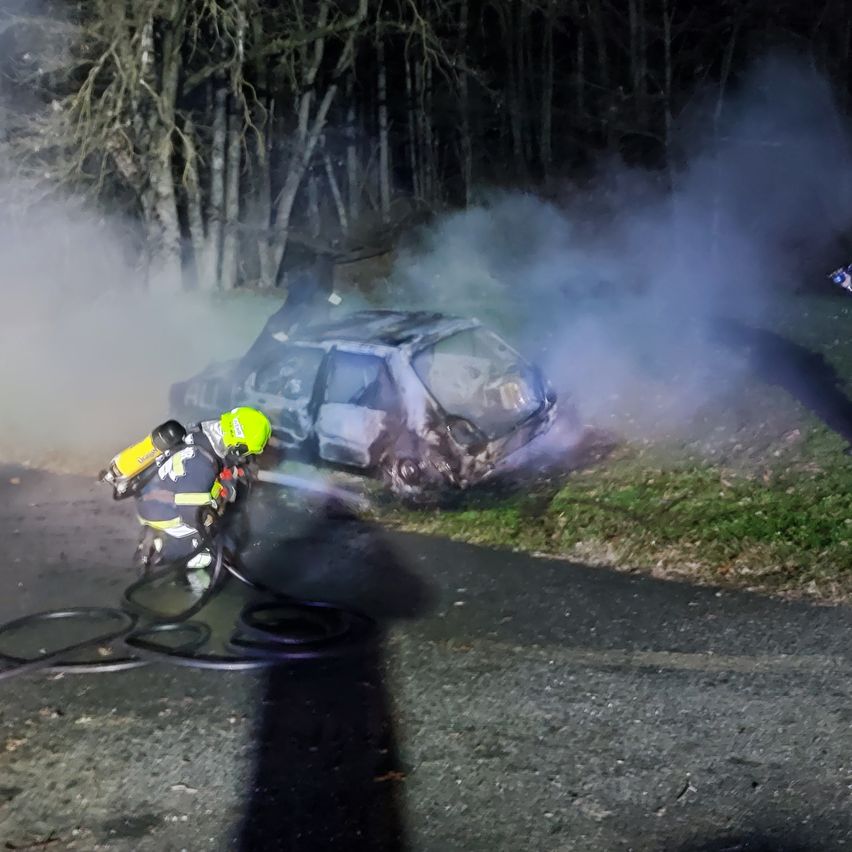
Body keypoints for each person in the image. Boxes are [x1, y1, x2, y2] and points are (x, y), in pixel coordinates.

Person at [134, 406, 272, 591]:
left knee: (225, 517)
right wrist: (215, 520)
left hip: (159, 496)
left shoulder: (206, 434)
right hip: (167, 513)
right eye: (247, 452)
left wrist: (237, 472)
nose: (249, 456)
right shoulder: (201, 464)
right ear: (239, 446)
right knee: (217, 550)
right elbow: (193, 512)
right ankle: (160, 550)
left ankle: (171, 546)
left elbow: (221, 465)